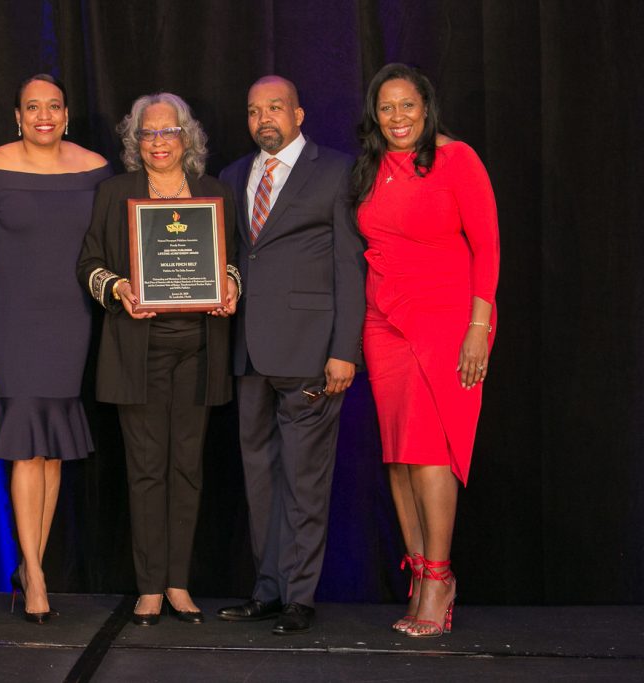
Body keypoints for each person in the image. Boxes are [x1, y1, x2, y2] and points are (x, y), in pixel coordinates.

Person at [77, 93, 239, 626]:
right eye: (148, 134)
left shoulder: (214, 193)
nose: (159, 143)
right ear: (135, 142)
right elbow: (89, 264)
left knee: (186, 469)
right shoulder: (114, 193)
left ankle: (178, 582)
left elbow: (233, 263)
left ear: (187, 138)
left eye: (169, 133)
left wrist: (231, 285)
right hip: (136, 351)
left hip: (198, 349)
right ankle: (148, 586)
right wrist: (119, 287)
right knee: (146, 471)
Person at [352, 63, 499, 637]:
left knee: (432, 449)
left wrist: (478, 327)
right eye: (386, 108)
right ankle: (417, 574)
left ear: (426, 106)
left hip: (445, 318)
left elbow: (487, 247)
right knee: (399, 452)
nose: (397, 118)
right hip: (382, 319)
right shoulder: (372, 167)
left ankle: (440, 577)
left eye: (407, 106)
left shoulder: (457, 158)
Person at [216, 75, 366, 635]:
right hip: (249, 350)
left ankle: (300, 595)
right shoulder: (234, 175)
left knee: (306, 479)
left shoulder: (336, 171)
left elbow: (351, 265)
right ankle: (269, 589)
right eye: (254, 111)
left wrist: (343, 350)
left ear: (299, 114)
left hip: (310, 350)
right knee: (260, 479)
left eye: (274, 108)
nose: (263, 120)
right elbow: (233, 256)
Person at [0, 74, 111, 624]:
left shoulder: (95, 170)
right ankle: (36, 575)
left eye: (54, 106)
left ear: (67, 114)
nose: (44, 115)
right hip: (12, 318)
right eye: (33, 107)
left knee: (52, 446)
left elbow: (116, 238)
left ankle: (32, 565)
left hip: (72, 319)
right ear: (18, 116)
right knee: (27, 440)